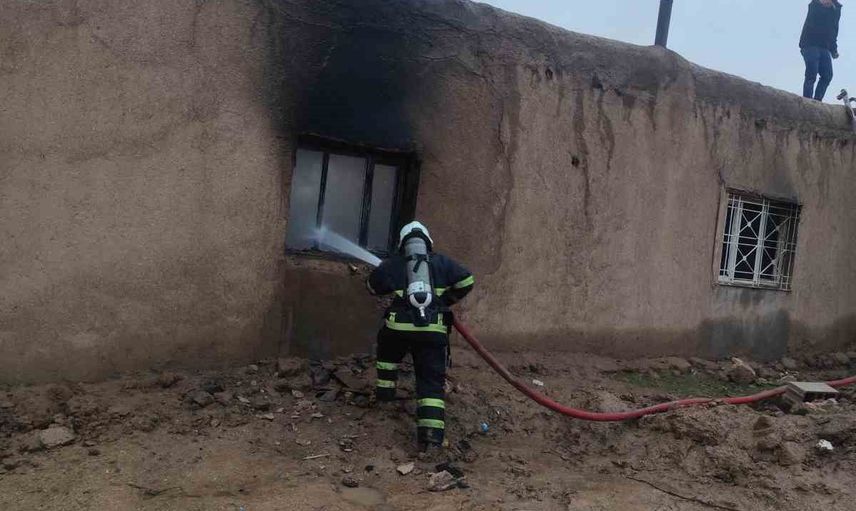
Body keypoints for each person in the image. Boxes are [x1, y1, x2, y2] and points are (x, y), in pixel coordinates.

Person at [366, 221, 474, 452]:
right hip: (432, 331)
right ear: (428, 241)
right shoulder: (442, 262)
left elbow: (372, 288)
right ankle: (431, 439)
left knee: (387, 356)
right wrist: (445, 300)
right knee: (431, 384)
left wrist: (384, 274)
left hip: (398, 329)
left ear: (402, 243)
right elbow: (467, 280)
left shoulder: (394, 263)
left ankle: (385, 397)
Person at [800, 0, 843, 101]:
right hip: (809, 44)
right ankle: (807, 101)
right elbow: (812, 21)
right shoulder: (815, 5)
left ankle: (817, 102)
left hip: (824, 47)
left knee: (827, 75)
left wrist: (834, 49)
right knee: (812, 73)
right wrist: (822, 5)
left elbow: (834, 31)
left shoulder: (836, 9)